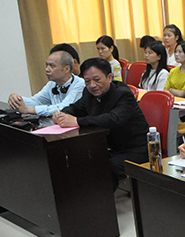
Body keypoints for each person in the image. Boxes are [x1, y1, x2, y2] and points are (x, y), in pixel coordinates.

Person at [54, 58, 149, 190]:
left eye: (97, 79)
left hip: (136, 147)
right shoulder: (88, 93)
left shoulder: (123, 94)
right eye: (87, 81)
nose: (92, 85)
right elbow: (76, 108)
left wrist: (77, 121)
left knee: (108, 165)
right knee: (80, 158)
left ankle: (102, 205)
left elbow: (113, 119)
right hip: (110, 146)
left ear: (109, 77)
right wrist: (62, 114)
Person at [7, 50, 84, 117]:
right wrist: (17, 99)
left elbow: (63, 108)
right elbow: (36, 101)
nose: (47, 69)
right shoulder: (52, 84)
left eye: (52, 66)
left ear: (67, 68)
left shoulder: (80, 84)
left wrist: (28, 110)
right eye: (46, 65)